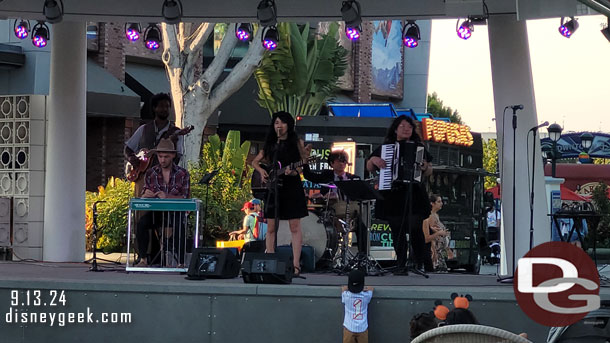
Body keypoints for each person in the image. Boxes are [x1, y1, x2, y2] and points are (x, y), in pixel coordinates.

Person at [366, 115, 433, 273]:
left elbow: (429, 169)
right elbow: (370, 166)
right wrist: (374, 160)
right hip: (393, 193)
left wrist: (424, 167)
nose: (406, 129)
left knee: (416, 227)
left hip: (413, 192)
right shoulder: (386, 147)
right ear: (396, 129)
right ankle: (401, 263)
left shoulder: (418, 147)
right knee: (397, 228)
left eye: (409, 126)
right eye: (402, 126)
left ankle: (419, 262)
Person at [251, 111, 309, 277]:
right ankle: (268, 260)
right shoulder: (270, 144)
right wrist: (262, 171)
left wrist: (294, 171)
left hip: (292, 187)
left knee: (295, 226)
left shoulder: (296, 142)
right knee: (270, 227)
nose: (279, 126)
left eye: (282, 123)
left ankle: (296, 265)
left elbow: (302, 165)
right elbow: (255, 161)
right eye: (276, 123)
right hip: (273, 189)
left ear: (288, 125)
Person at [136, 138, 190, 266]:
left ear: (173, 156)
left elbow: (185, 197)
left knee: (179, 226)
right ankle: (143, 259)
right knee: (142, 224)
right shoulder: (151, 173)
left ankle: (181, 262)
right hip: (157, 213)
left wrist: (167, 197)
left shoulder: (183, 174)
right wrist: (146, 195)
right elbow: (144, 192)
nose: (162, 160)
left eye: (166, 156)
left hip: (175, 213)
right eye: (160, 157)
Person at [124, 93, 184, 196]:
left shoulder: (176, 132)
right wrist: (131, 158)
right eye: (161, 106)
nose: (164, 109)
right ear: (154, 108)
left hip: (165, 178)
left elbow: (178, 157)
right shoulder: (143, 129)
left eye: (167, 106)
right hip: (142, 177)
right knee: (141, 208)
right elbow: (128, 148)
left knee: (161, 209)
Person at [341, 269, 374, 343]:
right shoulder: (366, 296)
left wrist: (348, 287)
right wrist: (364, 288)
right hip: (362, 328)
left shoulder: (346, 296)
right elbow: (371, 288)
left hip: (349, 328)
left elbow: (343, 288)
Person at [424, 194, 454, 272]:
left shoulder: (436, 215)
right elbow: (430, 236)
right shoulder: (430, 217)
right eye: (439, 201)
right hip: (436, 251)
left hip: (440, 250)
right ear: (432, 203)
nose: (441, 203)